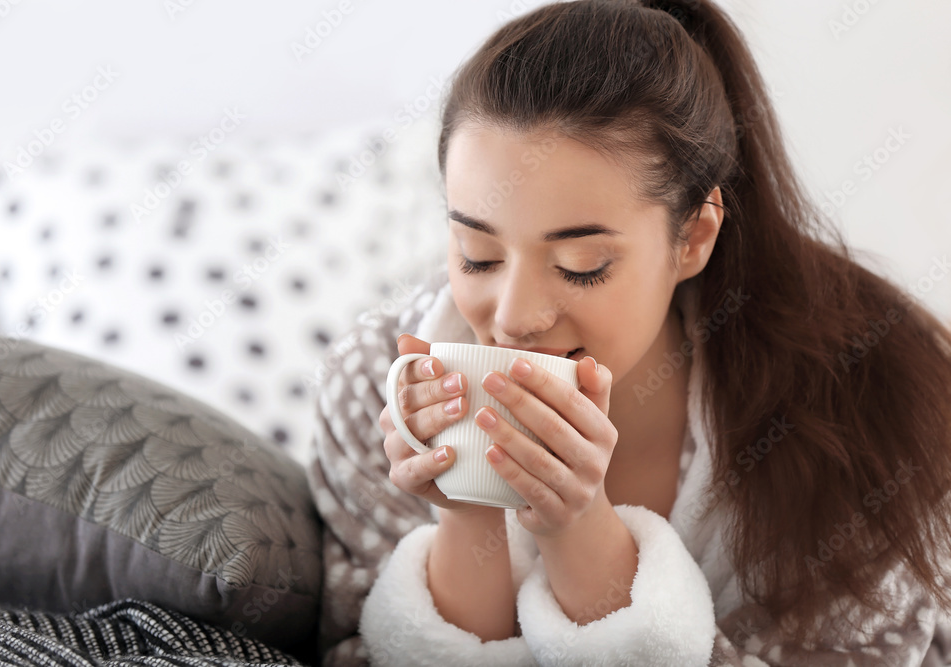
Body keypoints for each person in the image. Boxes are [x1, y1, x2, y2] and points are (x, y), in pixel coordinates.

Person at [307, 1, 951, 664]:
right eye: (478, 254)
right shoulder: (376, 385)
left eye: (579, 266)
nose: (514, 316)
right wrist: (466, 512)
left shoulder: (856, 407)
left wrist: (581, 535)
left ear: (694, 235)